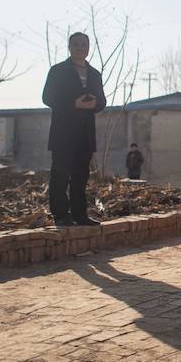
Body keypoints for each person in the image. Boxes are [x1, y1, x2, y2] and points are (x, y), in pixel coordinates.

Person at [42, 32, 106, 226]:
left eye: (83, 45)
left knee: (80, 176)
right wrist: (73, 104)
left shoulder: (94, 74)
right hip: (63, 132)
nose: (80, 48)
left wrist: (94, 104)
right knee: (60, 174)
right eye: (76, 44)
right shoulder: (58, 71)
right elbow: (48, 97)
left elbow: (102, 101)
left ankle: (80, 215)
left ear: (88, 48)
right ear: (69, 47)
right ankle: (61, 215)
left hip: (85, 133)